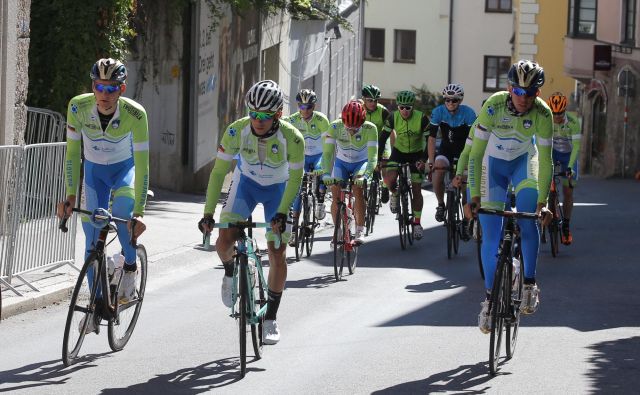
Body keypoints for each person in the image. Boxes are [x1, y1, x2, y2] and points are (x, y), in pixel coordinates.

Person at [199, 80, 304, 345]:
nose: (258, 120)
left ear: (278, 114)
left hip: (278, 189)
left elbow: (295, 178)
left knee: (277, 251)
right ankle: (230, 271)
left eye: (265, 116)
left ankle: (270, 317)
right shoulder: (236, 131)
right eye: (253, 114)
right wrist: (208, 213)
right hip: (245, 185)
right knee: (224, 241)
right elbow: (219, 173)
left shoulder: (292, 138)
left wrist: (282, 213)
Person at [57, 58, 149, 332]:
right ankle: (97, 306)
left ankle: (130, 268)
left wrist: (140, 211)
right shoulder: (78, 107)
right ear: (92, 86)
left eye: (112, 88)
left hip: (124, 173)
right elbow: (73, 154)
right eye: (100, 87)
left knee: (121, 216)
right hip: (95, 176)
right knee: (90, 243)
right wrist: (70, 196)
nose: (105, 95)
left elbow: (143, 165)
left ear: (122, 89)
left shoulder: (136, 114)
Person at [468, 60, 552, 333]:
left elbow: (547, 161)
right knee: (491, 234)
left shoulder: (543, 114)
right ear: (509, 88)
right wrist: (473, 196)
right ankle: (490, 301)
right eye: (518, 91)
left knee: (529, 219)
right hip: (492, 167)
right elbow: (475, 155)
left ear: (537, 93)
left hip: (524, 164)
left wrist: (544, 203)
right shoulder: (492, 105)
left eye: (530, 93)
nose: (523, 98)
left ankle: (529, 283)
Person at [322, 100, 378, 245]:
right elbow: (327, 154)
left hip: (361, 163)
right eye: (348, 127)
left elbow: (372, 157)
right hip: (342, 163)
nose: (352, 130)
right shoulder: (334, 126)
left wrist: (366, 176)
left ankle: (359, 229)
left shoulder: (370, 129)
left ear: (363, 122)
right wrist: (326, 174)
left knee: (358, 190)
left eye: (356, 127)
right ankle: (338, 230)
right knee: (335, 193)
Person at [379, 90, 430, 240]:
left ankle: (417, 223)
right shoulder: (393, 117)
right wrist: (378, 159)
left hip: (416, 154)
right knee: (389, 178)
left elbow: (429, 141)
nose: (404, 111)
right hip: (399, 152)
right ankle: (394, 193)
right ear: (398, 107)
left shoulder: (422, 119)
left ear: (412, 107)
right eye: (401, 107)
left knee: (416, 189)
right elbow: (382, 139)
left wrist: (424, 159)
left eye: (408, 108)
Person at [283, 89, 331, 247]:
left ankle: (321, 200)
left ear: (314, 106)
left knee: (323, 172)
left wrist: (324, 164)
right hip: (301, 157)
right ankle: (295, 227)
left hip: (318, 155)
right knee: (297, 188)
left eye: (308, 107)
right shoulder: (292, 120)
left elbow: (328, 146)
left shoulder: (322, 120)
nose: (304, 110)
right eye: (301, 107)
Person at [428, 83, 477, 236]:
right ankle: (441, 204)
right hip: (447, 150)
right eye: (447, 100)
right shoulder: (438, 112)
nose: (450, 103)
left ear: (460, 101)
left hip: (465, 151)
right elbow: (431, 138)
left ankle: (466, 219)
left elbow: (475, 140)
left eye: (454, 100)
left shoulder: (469, 113)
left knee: (463, 184)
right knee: (438, 167)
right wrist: (430, 161)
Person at [547, 92, 581, 245]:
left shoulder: (573, 122)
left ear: (565, 110)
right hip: (552, 152)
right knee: (546, 183)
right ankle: (548, 211)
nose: (556, 116)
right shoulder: (547, 121)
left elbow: (576, 147)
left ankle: (566, 224)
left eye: (559, 113)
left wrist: (570, 168)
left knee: (568, 191)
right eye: (554, 113)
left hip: (568, 155)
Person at [361, 84, 392, 203]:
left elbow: (391, 131)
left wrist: (393, 148)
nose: (373, 103)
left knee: (384, 164)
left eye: (375, 100)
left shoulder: (383, 111)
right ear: (363, 99)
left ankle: (384, 186)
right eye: (370, 100)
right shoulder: (359, 109)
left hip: (381, 141)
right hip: (364, 142)